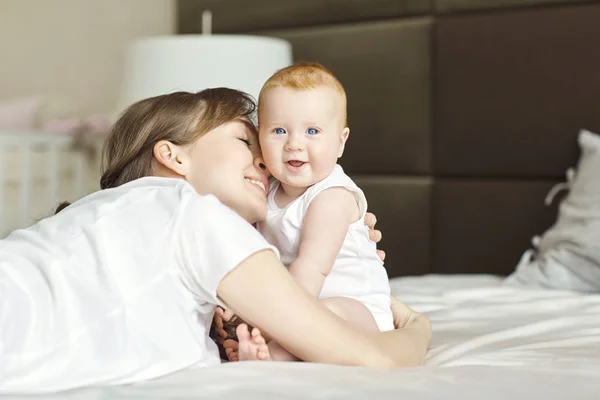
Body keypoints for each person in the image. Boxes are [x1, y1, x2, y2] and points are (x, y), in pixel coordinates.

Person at [0, 88, 431, 393]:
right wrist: (418, 328)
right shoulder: (192, 214)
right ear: (173, 155)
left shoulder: (112, 219)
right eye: (246, 140)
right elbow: (376, 360)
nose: (265, 159)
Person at [226, 62, 394, 362]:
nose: (294, 144)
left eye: (312, 131)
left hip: (361, 311)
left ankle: (273, 354)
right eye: (279, 130)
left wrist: (271, 326)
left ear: (340, 142)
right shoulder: (267, 191)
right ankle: (268, 349)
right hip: (295, 306)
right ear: (259, 135)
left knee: (328, 314)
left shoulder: (333, 196)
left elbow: (311, 268)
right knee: (308, 321)